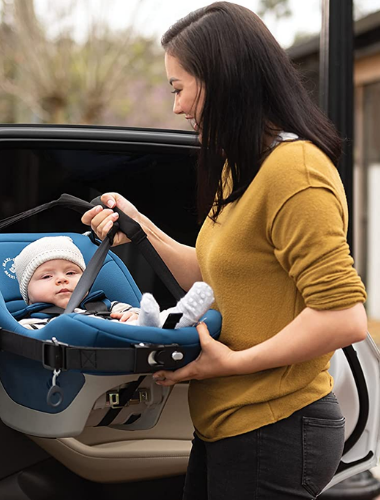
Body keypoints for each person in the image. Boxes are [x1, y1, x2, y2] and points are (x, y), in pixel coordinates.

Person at [81, 3, 368, 499]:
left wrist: (231, 364)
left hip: (276, 426)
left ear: (223, 80)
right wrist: (141, 228)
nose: (176, 106)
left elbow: (342, 318)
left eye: (179, 88)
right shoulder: (244, 166)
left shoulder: (294, 171)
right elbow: (215, 273)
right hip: (229, 424)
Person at [13, 235, 214, 330]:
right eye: (47, 276)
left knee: (150, 318)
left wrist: (131, 315)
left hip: (133, 339)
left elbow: (129, 312)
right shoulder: (30, 321)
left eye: (72, 272)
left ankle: (182, 314)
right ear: (27, 293)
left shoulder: (105, 304)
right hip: (79, 359)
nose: (62, 279)